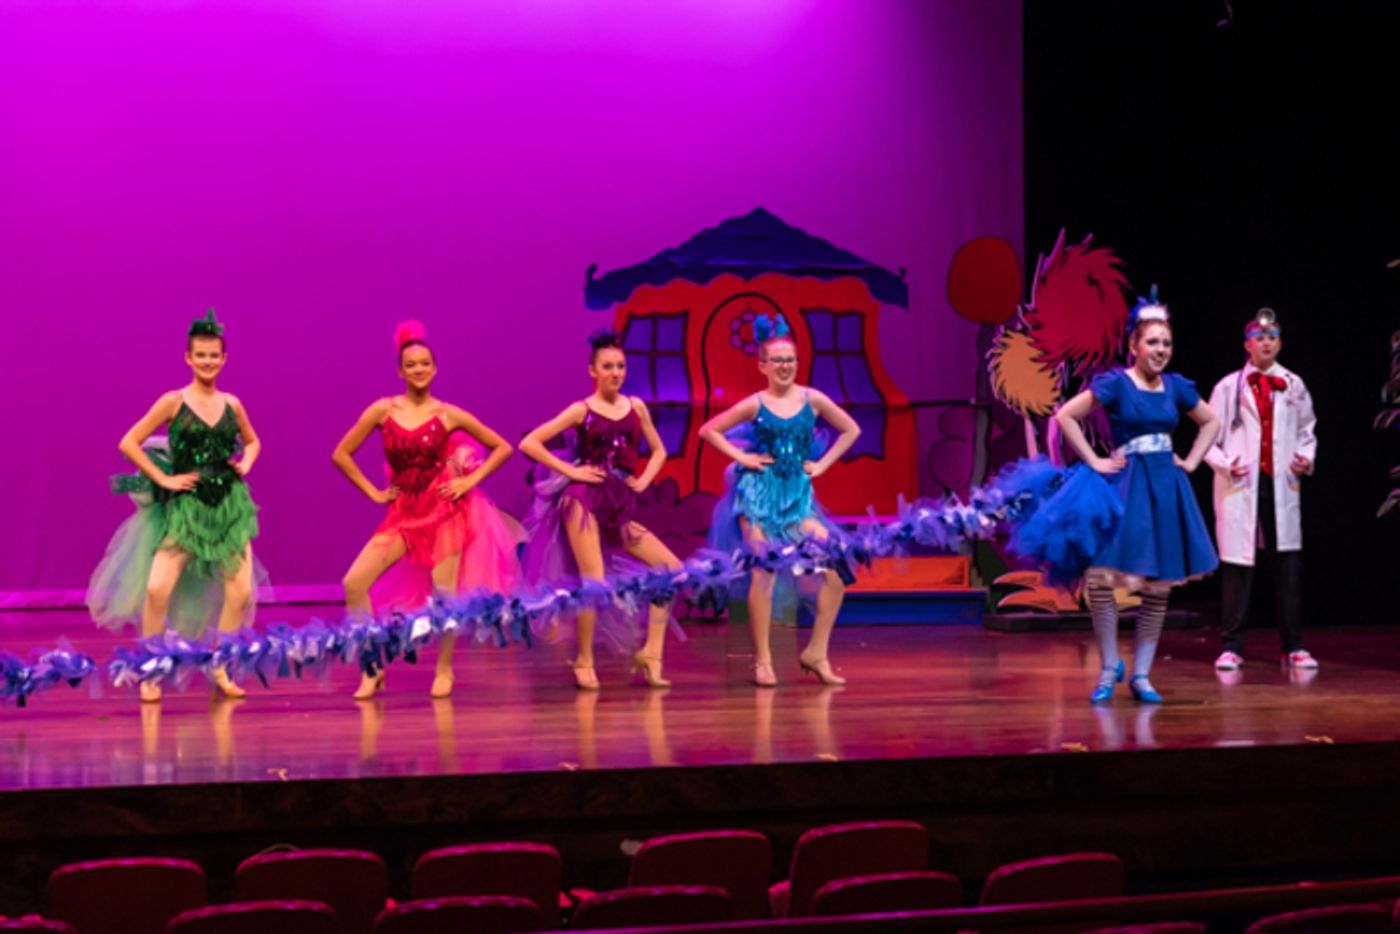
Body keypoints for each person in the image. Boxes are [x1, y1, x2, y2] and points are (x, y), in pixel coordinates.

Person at [1019, 290, 1220, 703]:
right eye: (1153, 342)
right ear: (1133, 345)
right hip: (1126, 485)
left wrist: (1192, 461)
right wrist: (1093, 459)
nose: (1161, 350)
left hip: (1165, 487)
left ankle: (1142, 674)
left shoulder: (1175, 387)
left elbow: (1211, 421)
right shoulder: (1117, 383)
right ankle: (1110, 665)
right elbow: (1065, 416)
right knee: (1100, 578)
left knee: (1159, 584)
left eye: (1167, 343)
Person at [332, 320, 516, 700]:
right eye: (411, 364)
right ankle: (371, 667)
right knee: (354, 583)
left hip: (444, 513)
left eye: (425, 364)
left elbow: (502, 447)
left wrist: (467, 482)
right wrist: (373, 492)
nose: (418, 369)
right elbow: (341, 454)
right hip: (403, 515)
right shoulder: (383, 410)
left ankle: (444, 669)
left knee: (444, 594)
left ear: (435, 369)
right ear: (400, 371)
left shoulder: (448, 414)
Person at [87, 310, 262, 703]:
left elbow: (253, 441)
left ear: (224, 358)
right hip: (187, 507)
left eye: (214, 355)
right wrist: (164, 479)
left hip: (230, 506)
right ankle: (152, 668)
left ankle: (221, 666)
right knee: (156, 589)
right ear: (188, 357)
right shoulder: (173, 401)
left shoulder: (232, 404)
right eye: (201, 355)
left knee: (239, 592)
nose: (207, 362)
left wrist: (247, 462)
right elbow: (129, 442)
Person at [698, 313, 862, 687]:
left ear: (797, 363)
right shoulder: (755, 403)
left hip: (796, 501)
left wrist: (822, 465)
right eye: (777, 360)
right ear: (763, 366)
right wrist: (743, 459)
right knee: (764, 570)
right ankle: (763, 660)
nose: (784, 366)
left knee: (837, 568)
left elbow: (851, 429)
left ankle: (816, 652)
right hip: (757, 498)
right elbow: (709, 430)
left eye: (790, 360)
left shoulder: (812, 399)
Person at [518, 328, 682, 690]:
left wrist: (644, 479)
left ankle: (652, 654)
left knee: (671, 568)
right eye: (608, 367)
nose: (616, 373)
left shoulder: (636, 407)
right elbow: (530, 443)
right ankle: (583, 659)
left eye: (620, 366)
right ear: (592, 370)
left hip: (618, 501)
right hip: (583, 499)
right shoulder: (582, 409)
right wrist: (571, 471)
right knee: (594, 580)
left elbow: (659, 450)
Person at [1205, 308, 1318, 671]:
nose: (1266, 343)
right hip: (1241, 483)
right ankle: (1231, 646)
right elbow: (1208, 437)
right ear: (1247, 345)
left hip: (1280, 482)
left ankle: (1293, 646)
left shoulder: (1293, 384)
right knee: (1238, 565)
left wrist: (1305, 457)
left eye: (1273, 337)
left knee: (1287, 564)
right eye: (1259, 337)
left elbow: (1307, 430)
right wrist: (1225, 463)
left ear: (1280, 343)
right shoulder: (1228, 387)